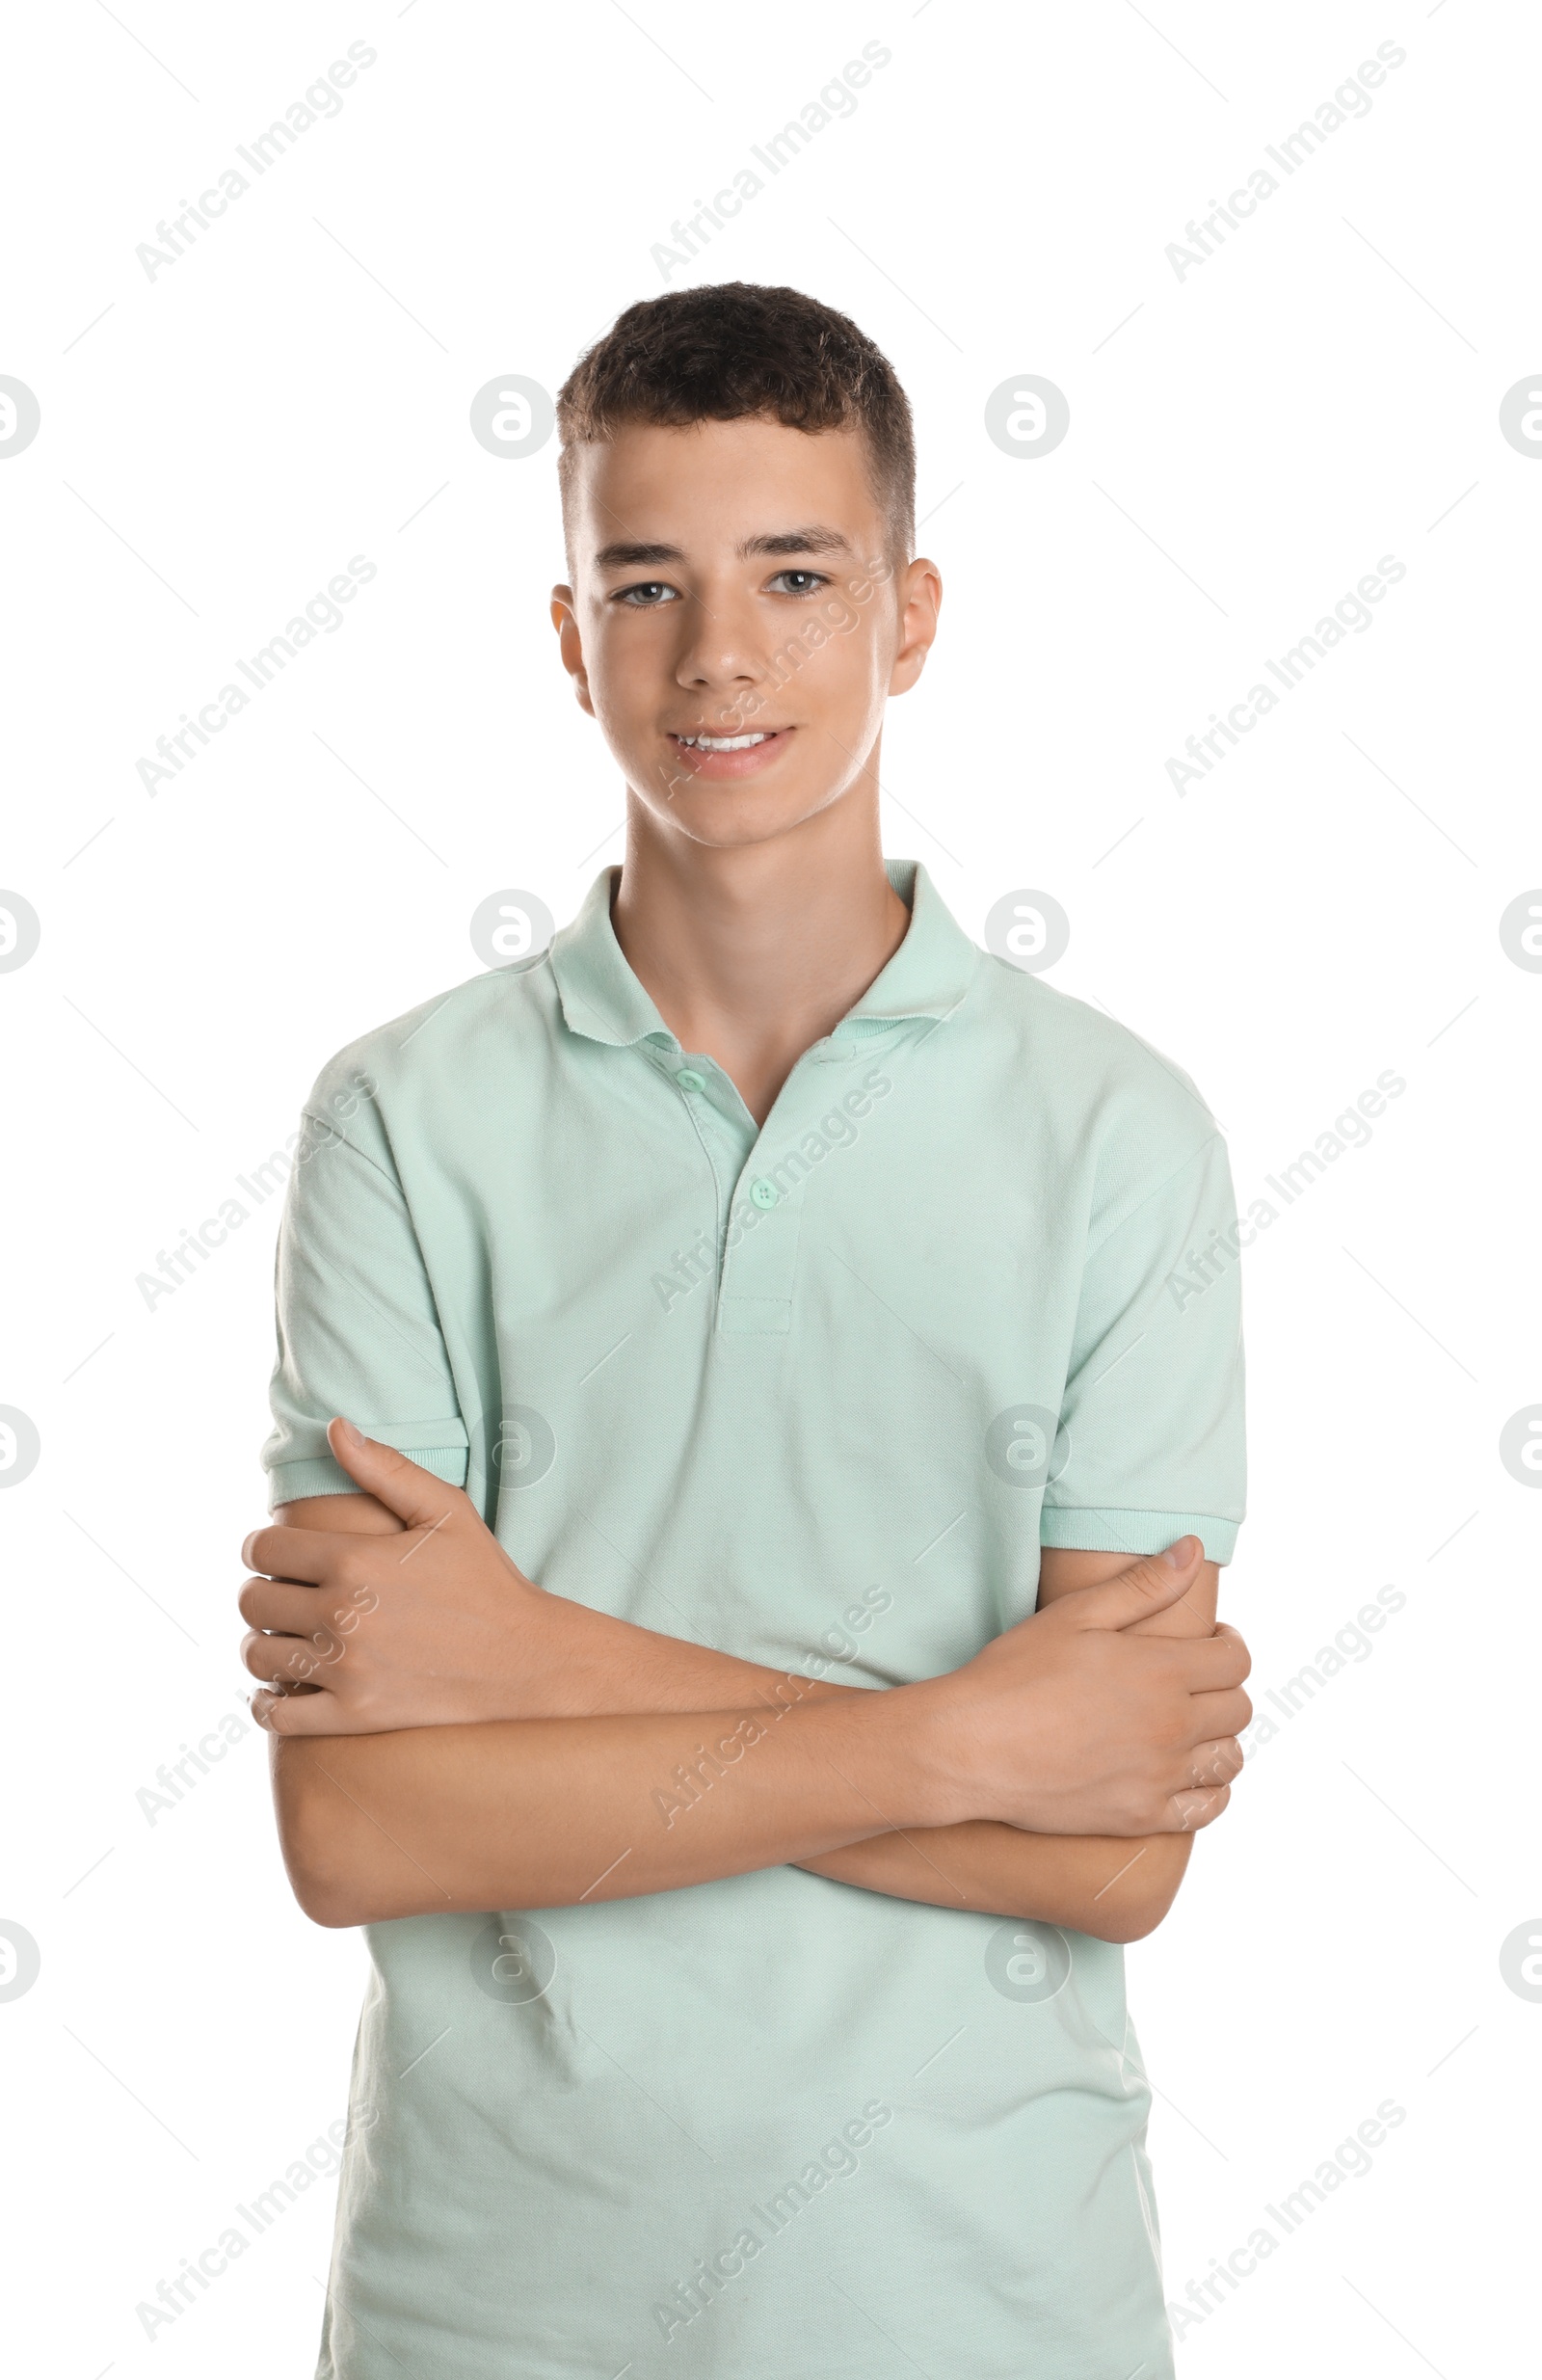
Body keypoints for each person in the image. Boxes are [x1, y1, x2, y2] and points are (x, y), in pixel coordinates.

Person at [239, 281, 1250, 2380]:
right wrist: (966, 1737)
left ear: (909, 613)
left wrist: (527, 1668)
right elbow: (358, 1828)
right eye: (645, 582)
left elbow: (1122, 1846)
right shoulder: (403, 1119)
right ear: (565, 633)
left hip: (979, 2291)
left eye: (794, 573)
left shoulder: (1114, 1132)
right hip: (497, 2300)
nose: (718, 655)